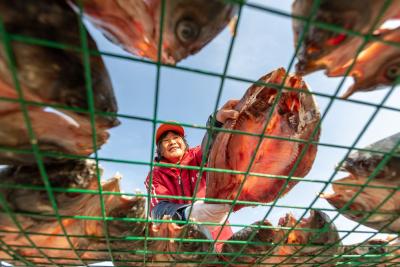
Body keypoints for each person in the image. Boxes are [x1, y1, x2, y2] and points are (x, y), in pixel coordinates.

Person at [144, 100, 239, 252]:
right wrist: (187, 213)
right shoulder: (155, 175)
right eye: (166, 141)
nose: (172, 142)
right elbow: (158, 209)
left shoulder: (196, 156)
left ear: (184, 142)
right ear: (160, 150)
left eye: (176, 138)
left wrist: (216, 122)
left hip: (221, 240)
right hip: (184, 248)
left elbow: (211, 146)